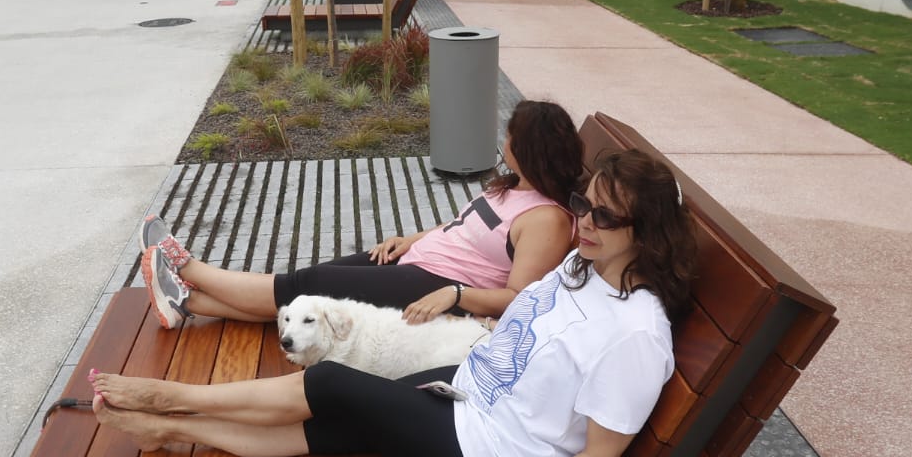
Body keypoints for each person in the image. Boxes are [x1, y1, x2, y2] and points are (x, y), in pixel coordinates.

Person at [91, 148, 696, 457]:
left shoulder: (635, 336)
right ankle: (171, 431)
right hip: (462, 397)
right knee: (329, 426)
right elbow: (525, 320)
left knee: (330, 382)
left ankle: (172, 398)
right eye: (583, 204)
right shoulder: (580, 269)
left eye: (605, 217)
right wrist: (465, 308)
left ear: (647, 236)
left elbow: (600, 456)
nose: (584, 222)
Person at [139, 99, 581, 330]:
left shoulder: (548, 220)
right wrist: (411, 238)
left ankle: (184, 264)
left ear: (529, 150)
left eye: (510, 136)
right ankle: (187, 301)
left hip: (434, 287)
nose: (503, 142)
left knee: (304, 289)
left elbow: (521, 296)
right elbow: (466, 229)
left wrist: (456, 295)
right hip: (418, 260)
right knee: (308, 285)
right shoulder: (514, 186)